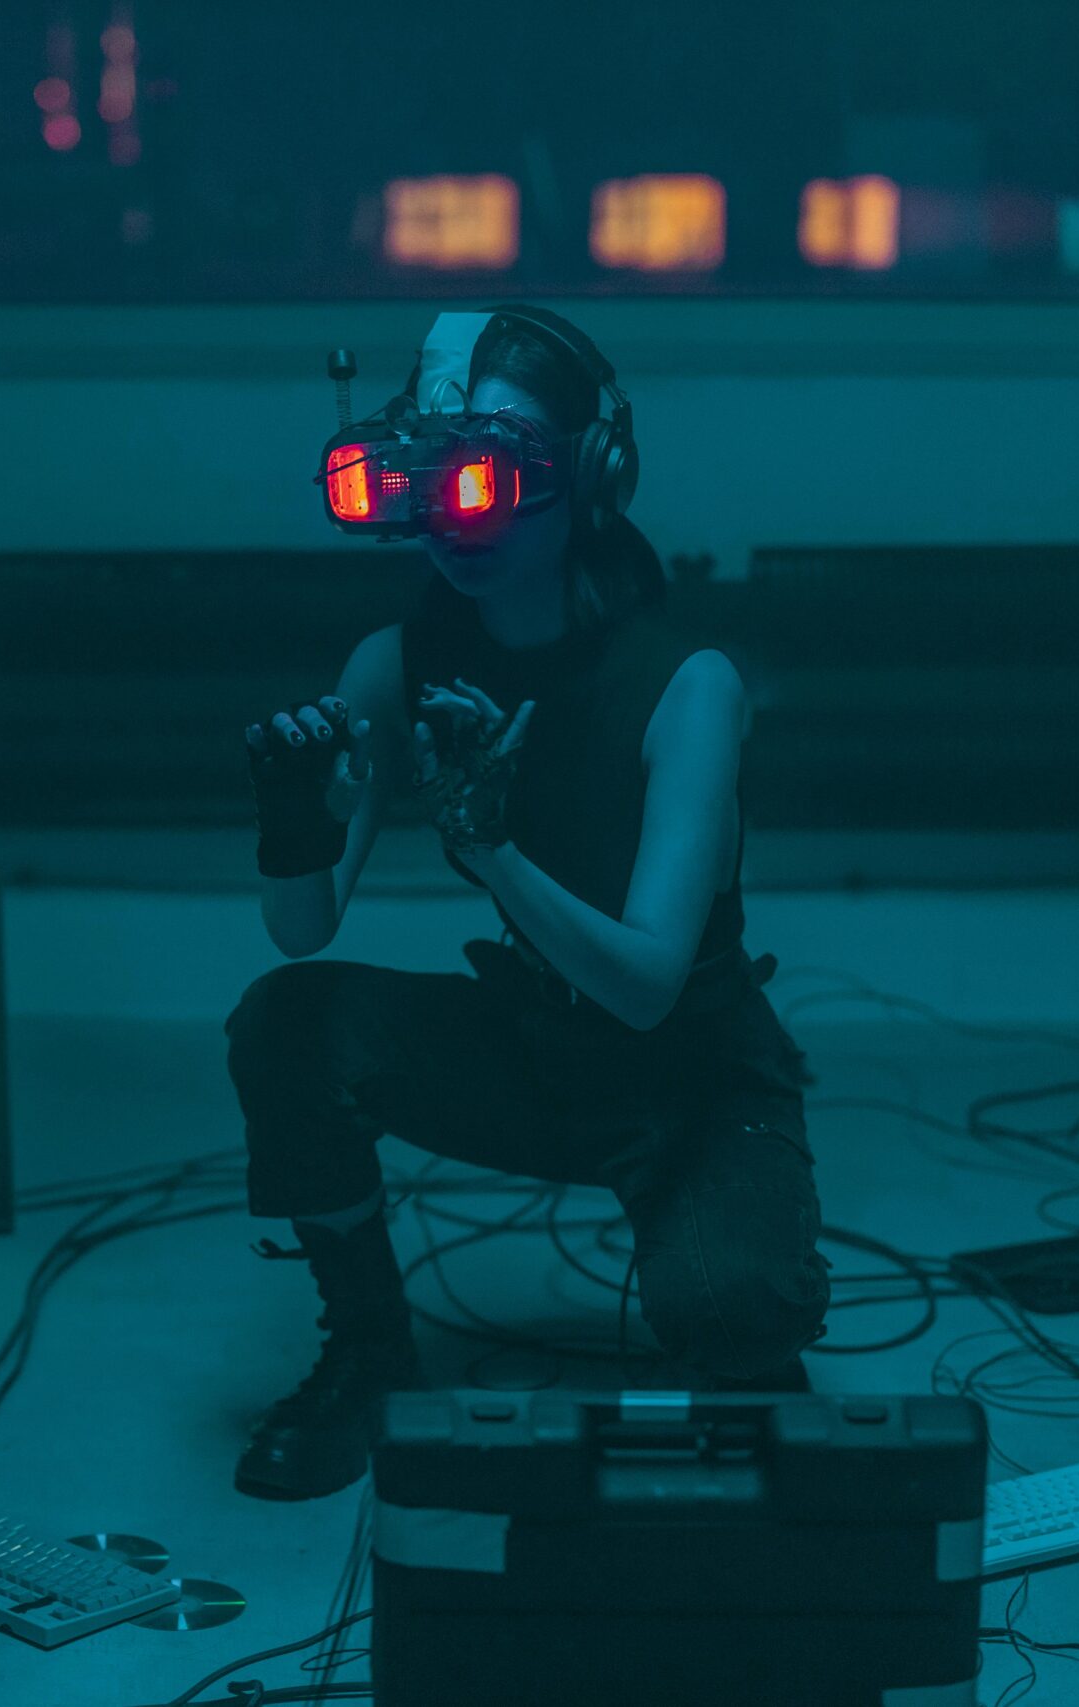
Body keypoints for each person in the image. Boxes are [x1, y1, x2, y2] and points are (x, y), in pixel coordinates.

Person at [221, 306, 830, 1502]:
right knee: (287, 1023)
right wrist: (291, 822)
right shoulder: (394, 662)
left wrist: (488, 848)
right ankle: (368, 1351)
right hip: (537, 1052)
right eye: (434, 473)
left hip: (689, 1079)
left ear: (593, 476)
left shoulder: (684, 687)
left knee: (726, 1312)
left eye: (492, 475)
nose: (457, 517)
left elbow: (651, 986)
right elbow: (302, 931)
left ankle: (738, 1322)